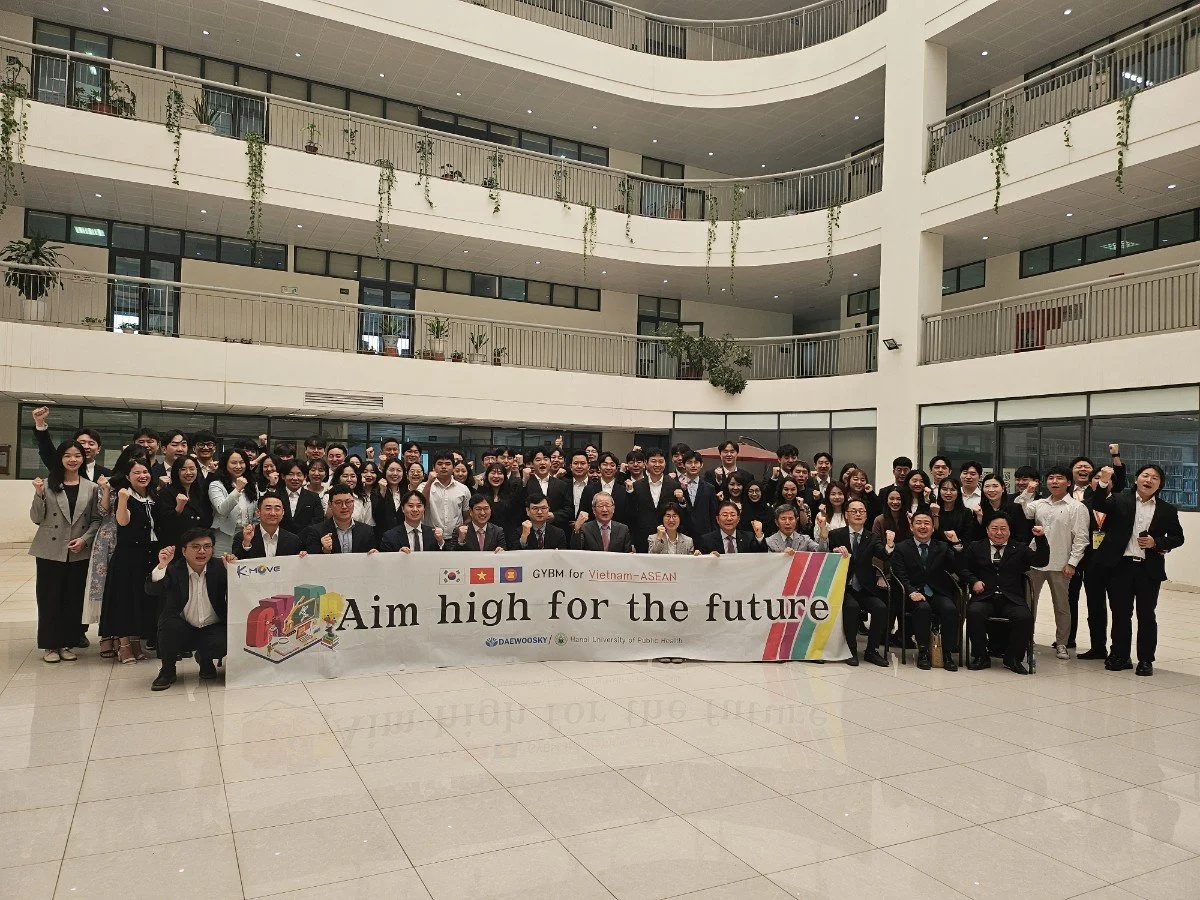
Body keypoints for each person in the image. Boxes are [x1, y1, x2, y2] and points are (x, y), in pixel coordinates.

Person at [1091, 464, 1186, 677]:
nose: (1149, 480)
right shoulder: (1119, 500)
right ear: (1136, 479)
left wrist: (1157, 542)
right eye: (1145, 475)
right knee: (1120, 614)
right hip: (1120, 567)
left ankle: (1145, 660)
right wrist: (1104, 481)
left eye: (1155, 478)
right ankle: (1120, 655)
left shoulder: (1167, 509)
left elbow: (1178, 537)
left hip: (1148, 569)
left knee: (1147, 616)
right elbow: (1098, 504)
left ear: (1160, 484)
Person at [29, 441, 101, 663]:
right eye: (67, 455)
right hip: (50, 550)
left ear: (83, 459)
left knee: (73, 599)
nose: (73, 459)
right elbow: (36, 518)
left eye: (77, 455)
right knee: (49, 599)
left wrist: (84, 540)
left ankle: (67, 643)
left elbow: (96, 519)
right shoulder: (47, 484)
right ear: (60, 458)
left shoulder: (91, 487)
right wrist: (39, 495)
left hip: (78, 551)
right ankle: (50, 645)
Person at [83, 444, 151, 657]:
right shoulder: (110, 483)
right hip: (109, 538)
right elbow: (103, 512)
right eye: (134, 458)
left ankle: (128, 637)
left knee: (126, 590)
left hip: (133, 540)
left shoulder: (146, 486)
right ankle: (107, 636)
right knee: (107, 589)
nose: (138, 463)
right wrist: (105, 490)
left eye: (142, 459)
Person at [960, 516, 1050, 674]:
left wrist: (1041, 538)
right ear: (987, 530)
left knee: (1024, 617)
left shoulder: (1020, 548)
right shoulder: (975, 547)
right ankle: (981, 656)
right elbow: (963, 568)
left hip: (1011, 598)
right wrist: (973, 581)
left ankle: (1013, 658)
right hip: (985, 596)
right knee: (974, 612)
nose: (999, 533)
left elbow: (1041, 561)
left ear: (1009, 531)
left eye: (1003, 529)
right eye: (994, 528)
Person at [1021, 465, 1089, 660]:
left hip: (1061, 564)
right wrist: (1029, 491)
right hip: (1036, 563)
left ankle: (1062, 643)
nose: (1054, 481)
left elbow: (1081, 538)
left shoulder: (1077, 507)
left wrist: (1072, 563)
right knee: (1028, 603)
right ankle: (1026, 639)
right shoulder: (1040, 504)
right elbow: (1025, 510)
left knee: (1061, 606)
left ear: (1069, 483)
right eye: (1051, 478)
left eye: (1059, 478)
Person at [147, 530, 227, 691]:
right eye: (195, 547)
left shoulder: (221, 567)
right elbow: (151, 590)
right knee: (168, 625)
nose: (202, 551)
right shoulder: (173, 570)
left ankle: (205, 660)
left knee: (227, 637)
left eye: (207, 546)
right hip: (183, 628)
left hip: (213, 628)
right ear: (184, 551)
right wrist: (162, 565)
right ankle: (168, 670)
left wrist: (233, 570)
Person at [1066, 445, 1126, 660]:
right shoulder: (1083, 505)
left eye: (1107, 478)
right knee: (1095, 606)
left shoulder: (1122, 502)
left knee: (1119, 608)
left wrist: (1115, 457)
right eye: (1097, 478)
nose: (1102, 481)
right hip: (1091, 562)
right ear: (1091, 483)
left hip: (1116, 562)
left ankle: (1119, 650)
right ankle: (1098, 647)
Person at [100, 460, 158, 664]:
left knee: (139, 600)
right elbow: (123, 522)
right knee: (124, 600)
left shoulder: (153, 496)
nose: (142, 476)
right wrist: (123, 500)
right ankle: (124, 645)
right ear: (127, 476)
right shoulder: (125, 495)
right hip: (127, 556)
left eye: (145, 471)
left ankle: (135, 643)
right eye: (136, 472)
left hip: (148, 555)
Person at [890, 511, 960, 671]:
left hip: (937, 592)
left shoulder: (942, 547)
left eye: (927, 523)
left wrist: (956, 545)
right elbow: (899, 574)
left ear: (933, 527)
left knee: (950, 609)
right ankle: (923, 651)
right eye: (918, 523)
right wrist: (910, 591)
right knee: (923, 608)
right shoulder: (901, 547)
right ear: (911, 527)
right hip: (912, 593)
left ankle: (947, 653)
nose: (923, 526)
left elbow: (957, 566)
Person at [828, 499, 889, 667]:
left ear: (866, 515)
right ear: (846, 515)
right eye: (853, 511)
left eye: (861, 511)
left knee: (880, 608)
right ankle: (851, 650)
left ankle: (871, 650)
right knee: (851, 607)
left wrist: (890, 546)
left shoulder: (873, 537)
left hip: (865, 588)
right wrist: (835, 551)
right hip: (844, 587)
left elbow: (883, 555)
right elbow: (826, 557)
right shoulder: (836, 535)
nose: (857, 514)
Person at [31, 406, 110, 481]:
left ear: (98, 449)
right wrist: (40, 423)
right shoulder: (61, 468)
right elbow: (47, 450)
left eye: (91, 444)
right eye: (82, 443)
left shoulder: (108, 474)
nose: (86, 447)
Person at [155, 456, 214, 551]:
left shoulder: (199, 492)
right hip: (175, 547)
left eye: (192, 469)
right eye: (183, 469)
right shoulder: (166, 493)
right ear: (176, 472)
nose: (188, 472)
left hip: (198, 547)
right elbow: (164, 524)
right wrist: (178, 508)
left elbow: (207, 518)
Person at [208, 448, 257, 556]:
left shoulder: (252, 484)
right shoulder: (216, 485)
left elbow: (256, 514)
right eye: (234, 463)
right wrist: (237, 489)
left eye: (242, 462)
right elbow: (222, 510)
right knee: (222, 564)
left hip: (247, 535)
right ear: (225, 464)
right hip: (224, 536)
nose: (238, 466)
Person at [630, 448, 680, 553]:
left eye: (661, 461)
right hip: (642, 539)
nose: (657, 465)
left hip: (667, 539)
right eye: (653, 461)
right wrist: (632, 541)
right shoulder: (637, 486)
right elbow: (631, 516)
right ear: (646, 463)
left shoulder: (674, 485)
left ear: (665, 463)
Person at [305, 485, 378, 554]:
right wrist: (324, 551)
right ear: (330, 505)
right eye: (338, 502)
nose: (344, 506)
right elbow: (312, 560)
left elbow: (371, 558)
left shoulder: (367, 531)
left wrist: (375, 555)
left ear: (353, 502)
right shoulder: (316, 531)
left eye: (348, 502)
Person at [232, 494, 303, 559]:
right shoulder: (242, 537)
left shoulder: (293, 540)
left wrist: (303, 557)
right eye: (268, 508)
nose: (272, 513)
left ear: (283, 512)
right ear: (258, 512)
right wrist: (246, 544)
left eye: (277, 509)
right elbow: (236, 563)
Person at [426, 451, 473, 540]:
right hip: (431, 537)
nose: (444, 467)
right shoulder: (424, 486)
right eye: (440, 464)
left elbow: (467, 517)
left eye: (448, 464)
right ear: (433, 467)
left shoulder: (463, 489)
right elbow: (422, 505)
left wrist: (461, 532)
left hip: (455, 538)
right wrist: (429, 482)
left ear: (454, 467)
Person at [379, 491, 446, 552]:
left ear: (424, 509)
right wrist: (398, 556)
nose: (415, 510)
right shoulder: (390, 536)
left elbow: (445, 557)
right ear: (403, 509)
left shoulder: (433, 534)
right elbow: (384, 559)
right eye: (410, 506)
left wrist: (441, 542)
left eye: (419, 506)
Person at [674, 450, 718, 538]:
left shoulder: (710, 488)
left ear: (701, 465)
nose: (693, 465)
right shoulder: (676, 486)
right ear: (683, 465)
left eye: (696, 462)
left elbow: (713, 515)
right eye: (689, 462)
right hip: (682, 533)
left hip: (705, 535)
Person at [696, 500, 766, 555]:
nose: (729, 518)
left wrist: (759, 535)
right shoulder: (707, 540)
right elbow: (702, 563)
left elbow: (762, 556)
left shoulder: (748, 537)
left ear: (738, 519)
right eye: (725, 515)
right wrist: (708, 558)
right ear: (717, 519)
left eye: (732, 515)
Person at [977, 474, 1028, 545]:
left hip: (1012, 549)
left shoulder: (1015, 508)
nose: (991, 490)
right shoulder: (979, 509)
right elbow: (977, 537)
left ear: (1003, 488)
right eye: (987, 486)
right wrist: (979, 518)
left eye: (995, 486)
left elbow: (1022, 535)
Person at [279, 460, 324, 538]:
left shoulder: (314, 497)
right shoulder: (275, 496)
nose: (295, 478)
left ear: (305, 476)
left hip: (307, 540)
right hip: (280, 540)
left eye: (299, 474)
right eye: (291, 474)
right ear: (283, 476)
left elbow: (318, 522)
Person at [932, 477, 976, 547]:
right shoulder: (933, 509)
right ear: (939, 491)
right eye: (944, 489)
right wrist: (935, 514)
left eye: (952, 490)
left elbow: (968, 539)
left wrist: (957, 544)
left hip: (959, 549)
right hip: (936, 550)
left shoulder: (966, 512)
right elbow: (933, 534)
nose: (948, 493)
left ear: (958, 492)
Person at [330, 463, 373, 527]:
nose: (349, 480)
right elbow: (327, 519)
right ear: (338, 478)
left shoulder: (365, 499)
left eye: (353, 476)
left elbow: (368, 525)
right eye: (345, 476)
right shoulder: (328, 496)